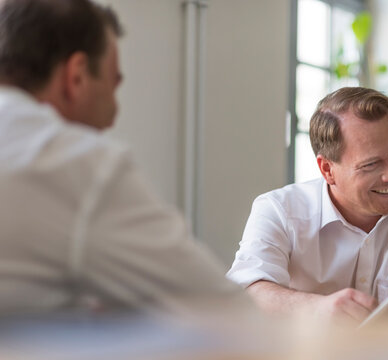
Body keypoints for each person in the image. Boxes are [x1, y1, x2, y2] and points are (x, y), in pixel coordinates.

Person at [0, 0, 246, 318]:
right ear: (75, 77)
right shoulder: (74, 162)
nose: (113, 116)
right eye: (112, 85)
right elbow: (229, 314)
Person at [227, 87, 388, 323]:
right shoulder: (277, 210)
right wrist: (317, 308)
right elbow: (249, 289)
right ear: (327, 169)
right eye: (371, 164)